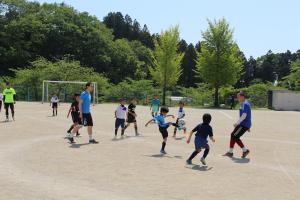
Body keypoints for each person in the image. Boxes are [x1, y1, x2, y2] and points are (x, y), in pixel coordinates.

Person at [224, 92, 251, 158]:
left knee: (235, 136)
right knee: (233, 135)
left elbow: (244, 115)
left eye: (238, 97)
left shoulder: (245, 104)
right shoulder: (243, 103)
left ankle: (245, 150)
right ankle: (231, 152)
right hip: (243, 124)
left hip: (243, 124)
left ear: (242, 97)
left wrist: (237, 123)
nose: (237, 98)